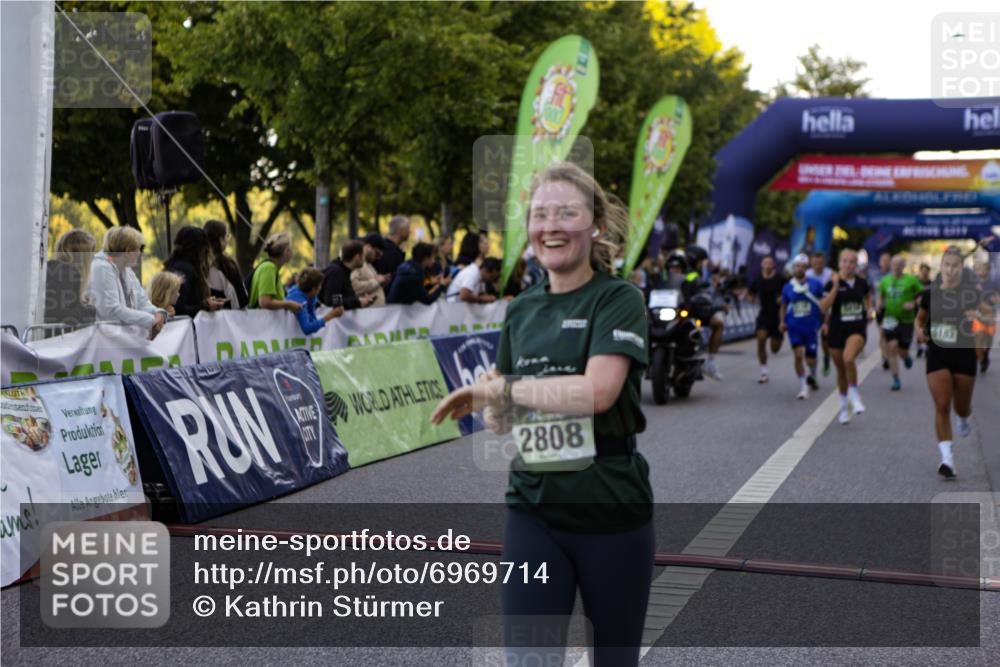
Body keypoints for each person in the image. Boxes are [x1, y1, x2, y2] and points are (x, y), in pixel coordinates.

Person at [430, 162, 653, 666]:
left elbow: (598, 392)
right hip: (533, 510)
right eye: (540, 214)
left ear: (595, 224)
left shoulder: (618, 299)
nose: (551, 225)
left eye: (567, 212)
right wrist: (493, 407)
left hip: (611, 509)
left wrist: (504, 388)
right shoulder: (522, 309)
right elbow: (506, 418)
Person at [915, 246, 991, 478]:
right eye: (947, 265)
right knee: (942, 405)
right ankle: (947, 459)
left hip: (963, 353)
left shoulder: (971, 293)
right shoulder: (930, 293)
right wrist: (919, 332)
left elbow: (989, 315)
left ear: (961, 268)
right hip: (937, 353)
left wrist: (978, 317)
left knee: (961, 406)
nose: (950, 269)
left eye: (955, 265)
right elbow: (920, 320)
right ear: (942, 267)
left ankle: (964, 417)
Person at [819, 249, 872, 425]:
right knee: (841, 371)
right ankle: (843, 407)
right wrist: (835, 286)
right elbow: (823, 306)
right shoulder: (831, 283)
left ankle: (855, 396)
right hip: (836, 330)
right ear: (839, 263)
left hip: (856, 329)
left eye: (852, 262)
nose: (848, 265)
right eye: (845, 261)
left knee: (849, 359)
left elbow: (868, 299)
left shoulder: (862, 283)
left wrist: (869, 311)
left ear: (856, 265)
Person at [86, 226, 167, 339]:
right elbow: (111, 311)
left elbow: (142, 302)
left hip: (120, 340)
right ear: (127, 251)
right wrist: (151, 320)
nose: (139, 253)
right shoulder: (101, 267)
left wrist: (158, 313)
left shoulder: (127, 271)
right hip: (103, 341)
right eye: (138, 249)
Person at [779, 254, 825, 399]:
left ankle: (812, 374)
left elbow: (824, 304)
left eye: (802, 266)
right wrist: (782, 321)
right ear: (794, 268)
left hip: (811, 326)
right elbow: (783, 306)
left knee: (810, 359)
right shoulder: (787, 287)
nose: (799, 268)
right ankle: (803, 386)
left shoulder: (816, 284)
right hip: (794, 326)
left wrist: (825, 322)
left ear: (806, 268)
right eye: (797, 266)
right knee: (798, 355)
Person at [878, 255, 924, 390]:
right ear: (891, 265)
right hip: (889, 319)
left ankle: (906, 357)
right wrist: (879, 305)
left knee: (902, 350)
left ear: (904, 266)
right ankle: (896, 379)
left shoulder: (911, 280)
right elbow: (881, 296)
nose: (896, 267)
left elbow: (921, 295)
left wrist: (914, 303)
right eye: (894, 264)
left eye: (899, 264)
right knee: (892, 347)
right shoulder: (885, 280)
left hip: (906, 320)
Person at [164, 226, 227, 317]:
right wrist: (205, 306)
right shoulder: (184, 270)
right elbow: (177, 309)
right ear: (200, 248)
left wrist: (207, 303)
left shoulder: (177, 265)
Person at [44, 229, 97, 327]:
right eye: (92, 254)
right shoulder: (66, 273)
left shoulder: (56, 269)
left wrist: (81, 304)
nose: (93, 258)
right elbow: (62, 316)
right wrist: (90, 310)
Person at [747, 256, 786, 383]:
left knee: (775, 349)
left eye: (770, 263)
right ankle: (764, 371)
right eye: (765, 263)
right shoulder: (757, 280)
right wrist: (750, 298)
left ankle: (776, 342)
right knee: (761, 338)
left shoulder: (780, 279)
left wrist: (783, 298)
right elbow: (750, 293)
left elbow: (788, 293)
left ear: (774, 265)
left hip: (777, 316)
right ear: (762, 265)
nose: (768, 265)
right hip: (763, 315)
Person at [247, 232, 303, 314]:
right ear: (286, 251)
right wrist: (289, 304)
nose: (292, 251)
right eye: (291, 248)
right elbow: (264, 302)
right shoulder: (269, 268)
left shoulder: (272, 268)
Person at [204, 219, 248, 309]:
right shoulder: (226, 265)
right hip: (228, 318)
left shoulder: (199, 263)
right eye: (227, 236)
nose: (228, 239)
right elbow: (241, 299)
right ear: (221, 239)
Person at [286, 267, 344, 334]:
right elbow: (307, 328)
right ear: (313, 289)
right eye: (320, 285)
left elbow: (313, 321)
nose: (321, 288)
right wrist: (330, 315)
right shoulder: (299, 300)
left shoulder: (310, 295)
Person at [319, 240, 371, 309]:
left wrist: (360, 300)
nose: (364, 260)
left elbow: (340, 298)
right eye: (363, 256)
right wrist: (357, 302)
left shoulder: (343, 271)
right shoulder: (336, 272)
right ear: (357, 257)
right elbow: (331, 301)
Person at [807, 251, 834, 376]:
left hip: (826, 311)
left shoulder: (830, 274)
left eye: (820, 263)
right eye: (815, 263)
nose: (818, 265)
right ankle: (813, 372)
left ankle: (827, 357)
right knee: (812, 343)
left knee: (825, 341)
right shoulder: (807, 274)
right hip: (811, 312)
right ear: (811, 263)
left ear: (824, 263)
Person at [972, 260, 999, 373]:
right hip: (978, 314)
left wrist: (995, 299)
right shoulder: (973, 283)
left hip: (990, 314)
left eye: (983, 269)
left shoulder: (994, 283)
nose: (981, 271)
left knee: (988, 338)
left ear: (988, 270)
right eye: (979, 269)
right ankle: (981, 359)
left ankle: (986, 354)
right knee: (978, 337)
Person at [868, 251, 893, 371]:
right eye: (883, 260)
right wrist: (871, 306)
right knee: (883, 333)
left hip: (892, 309)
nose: (885, 263)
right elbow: (869, 291)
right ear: (879, 262)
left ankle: (888, 354)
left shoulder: (894, 275)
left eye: (888, 260)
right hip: (880, 308)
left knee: (889, 334)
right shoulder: (874, 275)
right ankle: (885, 357)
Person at [351, 232, 390, 307]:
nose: (378, 258)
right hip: (366, 315)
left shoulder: (368, 265)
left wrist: (381, 283)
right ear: (368, 247)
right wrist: (377, 281)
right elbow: (354, 287)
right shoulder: (357, 263)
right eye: (377, 254)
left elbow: (370, 287)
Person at [916, 262, 933, 358]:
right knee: (919, 325)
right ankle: (919, 346)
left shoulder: (931, 283)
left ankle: (926, 346)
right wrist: (916, 300)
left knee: (926, 327)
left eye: (926, 271)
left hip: (928, 308)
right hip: (918, 308)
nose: (924, 273)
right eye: (923, 271)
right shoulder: (916, 283)